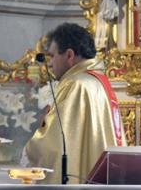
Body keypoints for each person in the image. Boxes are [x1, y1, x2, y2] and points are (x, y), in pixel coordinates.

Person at [23, 23, 125, 184]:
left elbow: (54, 143)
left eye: (53, 56)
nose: (50, 64)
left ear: (69, 55)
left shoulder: (75, 84)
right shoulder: (98, 80)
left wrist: (30, 149)